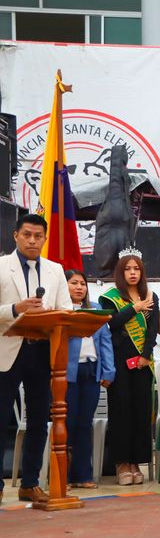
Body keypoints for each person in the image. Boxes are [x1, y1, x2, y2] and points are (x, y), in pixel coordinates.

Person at [0, 214, 73, 503]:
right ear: (15, 236)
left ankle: (30, 483)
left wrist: (50, 315)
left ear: (44, 238)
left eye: (38, 236)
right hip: (7, 351)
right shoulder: (2, 266)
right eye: (27, 235)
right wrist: (16, 308)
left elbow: (66, 310)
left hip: (43, 352)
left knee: (40, 419)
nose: (32, 240)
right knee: (1, 418)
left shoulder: (56, 270)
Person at [99, 248, 159, 486]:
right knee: (121, 411)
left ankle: (136, 462)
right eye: (127, 269)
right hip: (119, 363)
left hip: (142, 363)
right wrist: (134, 308)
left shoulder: (151, 296)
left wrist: (145, 355)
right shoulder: (110, 298)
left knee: (141, 412)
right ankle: (121, 463)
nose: (132, 273)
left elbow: (153, 331)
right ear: (120, 273)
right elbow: (111, 324)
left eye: (136, 269)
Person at [64, 270, 115, 489]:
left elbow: (105, 341)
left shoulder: (95, 310)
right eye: (74, 283)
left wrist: (109, 371)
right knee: (68, 423)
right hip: (67, 373)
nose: (79, 287)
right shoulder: (61, 311)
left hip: (92, 371)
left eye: (82, 283)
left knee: (85, 424)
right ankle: (63, 477)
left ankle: (83, 475)